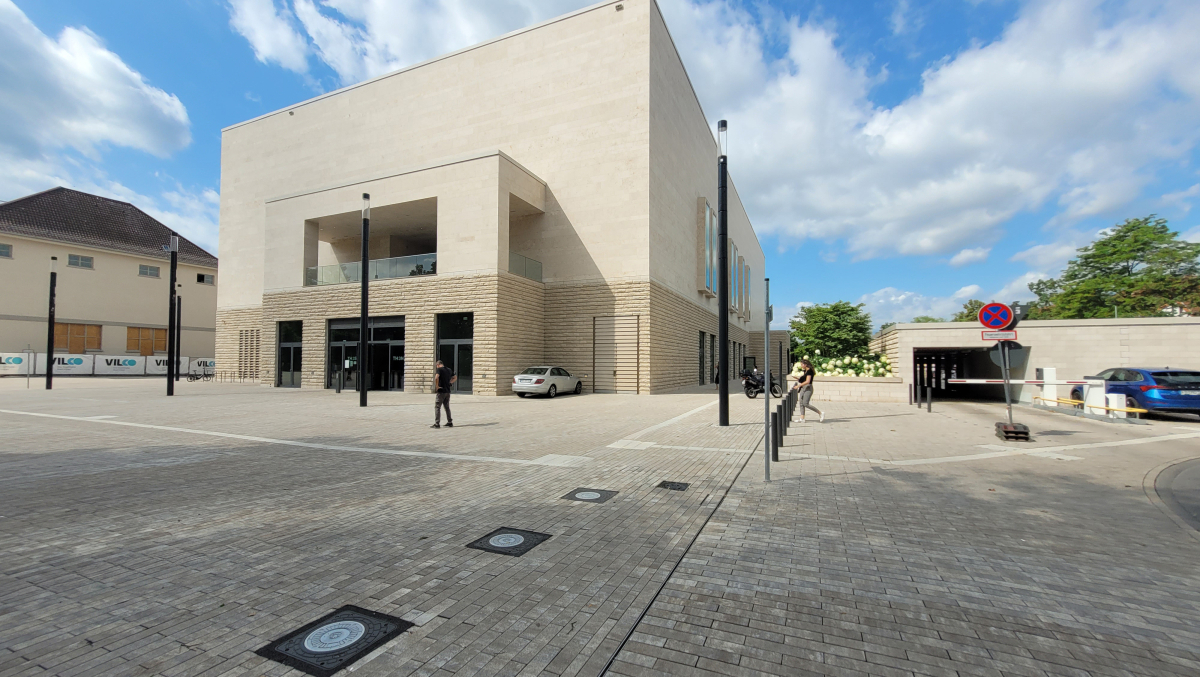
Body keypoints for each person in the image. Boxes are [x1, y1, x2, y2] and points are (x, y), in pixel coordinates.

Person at [790, 358, 824, 423]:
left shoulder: (809, 371)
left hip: (808, 388)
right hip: (803, 388)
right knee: (801, 402)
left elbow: (808, 381)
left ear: (805, 364)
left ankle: (820, 413)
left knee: (805, 403)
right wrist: (797, 378)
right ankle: (802, 418)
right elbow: (804, 380)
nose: (801, 366)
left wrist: (798, 386)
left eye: (802, 364)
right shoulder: (805, 371)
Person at [432, 359, 456, 428]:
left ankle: (437, 423)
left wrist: (437, 386)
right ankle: (450, 422)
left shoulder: (439, 370)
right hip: (447, 391)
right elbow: (455, 377)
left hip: (441, 391)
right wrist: (450, 383)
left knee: (437, 407)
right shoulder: (449, 370)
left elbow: (436, 377)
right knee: (447, 407)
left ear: (438, 365)